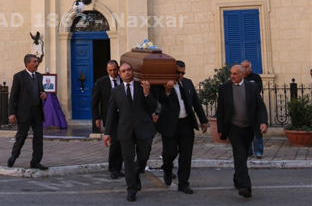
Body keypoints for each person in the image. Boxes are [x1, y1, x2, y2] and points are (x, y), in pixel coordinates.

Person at [103, 63, 156, 202]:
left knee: (143, 156)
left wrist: (147, 94)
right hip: (125, 130)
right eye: (124, 71)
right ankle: (131, 189)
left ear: (133, 72)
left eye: (129, 70)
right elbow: (111, 113)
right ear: (120, 74)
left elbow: (153, 107)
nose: (127, 72)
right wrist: (107, 132)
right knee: (128, 161)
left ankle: (136, 174)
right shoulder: (116, 91)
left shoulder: (143, 86)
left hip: (143, 129)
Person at [216, 64, 268, 199]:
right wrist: (221, 129)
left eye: (235, 74)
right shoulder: (224, 88)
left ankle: (237, 178)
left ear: (242, 74)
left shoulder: (252, 87)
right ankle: (245, 186)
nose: (232, 76)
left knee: (243, 155)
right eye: (231, 73)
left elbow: (260, 107)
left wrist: (263, 122)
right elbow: (220, 109)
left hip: (249, 128)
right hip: (233, 128)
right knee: (239, 153)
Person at [156, 60, 208, 194]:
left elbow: (195, 102)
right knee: (170, 154)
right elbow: (160, 100)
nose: (180, 75)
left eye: (182, 73)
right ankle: (167, 171)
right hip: (169, 125)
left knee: (186, 156)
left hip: (186, 124)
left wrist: (203, 120)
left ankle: (183, 183)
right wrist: (167, 90)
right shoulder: (163, 84)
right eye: (177, 72)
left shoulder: (188, 83)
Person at [7, 54, 48, 170]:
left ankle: (36, 161)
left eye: (37, 62)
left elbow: (42, 92)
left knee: (39, 137)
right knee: (22, 135)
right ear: (27, 63)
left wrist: (44, 96)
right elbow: (13, 97)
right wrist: (12, 113)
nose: (36, 64)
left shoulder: (39, 76)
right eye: (34, 62)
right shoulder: (19, 77)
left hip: (37, 111)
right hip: (24, 112)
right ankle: (14, 156)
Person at [91, 60, 124, 179]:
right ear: (107, 70)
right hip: (109, 117)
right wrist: (97, 118)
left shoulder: (123, 80)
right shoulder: (101, 82)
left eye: (115, 69)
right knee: (114, 142)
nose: (113, 72)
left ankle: (119, 167)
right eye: (110, 70)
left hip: (123, 116)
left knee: (122, 142)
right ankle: (113, 169)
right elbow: (95, 102)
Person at [241, 60, 264, 158]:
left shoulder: (256, 77)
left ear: (250, 68)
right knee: (245, 131)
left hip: (254, 108)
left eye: (246, 67)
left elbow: (258, 89)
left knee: (257, 132)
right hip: (243, 108)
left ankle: (258, 151)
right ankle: (248, 151)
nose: (245, 69)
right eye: (243, 67)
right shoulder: (239, 78)